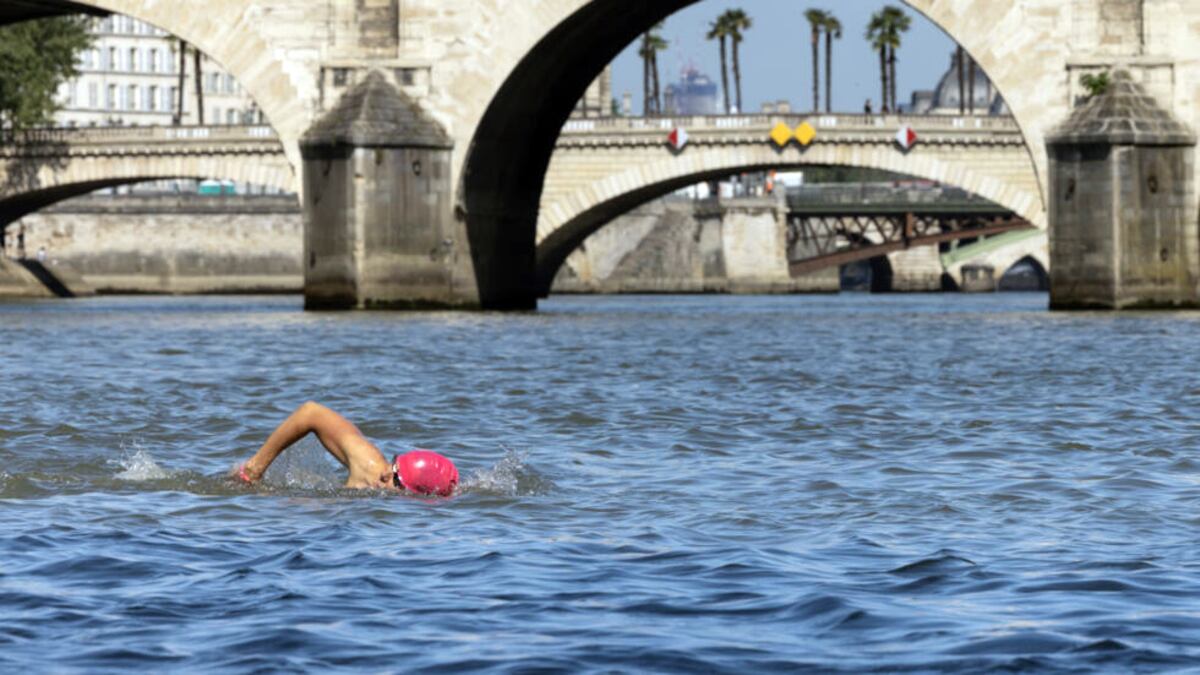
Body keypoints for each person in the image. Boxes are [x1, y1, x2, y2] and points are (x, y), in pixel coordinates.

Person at [235, 401, 459, 496]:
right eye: (393, 464)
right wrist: (255, 468)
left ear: (411, 495)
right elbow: (311, 412)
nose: (385, 474)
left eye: (397, 480)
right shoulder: (369, 464)